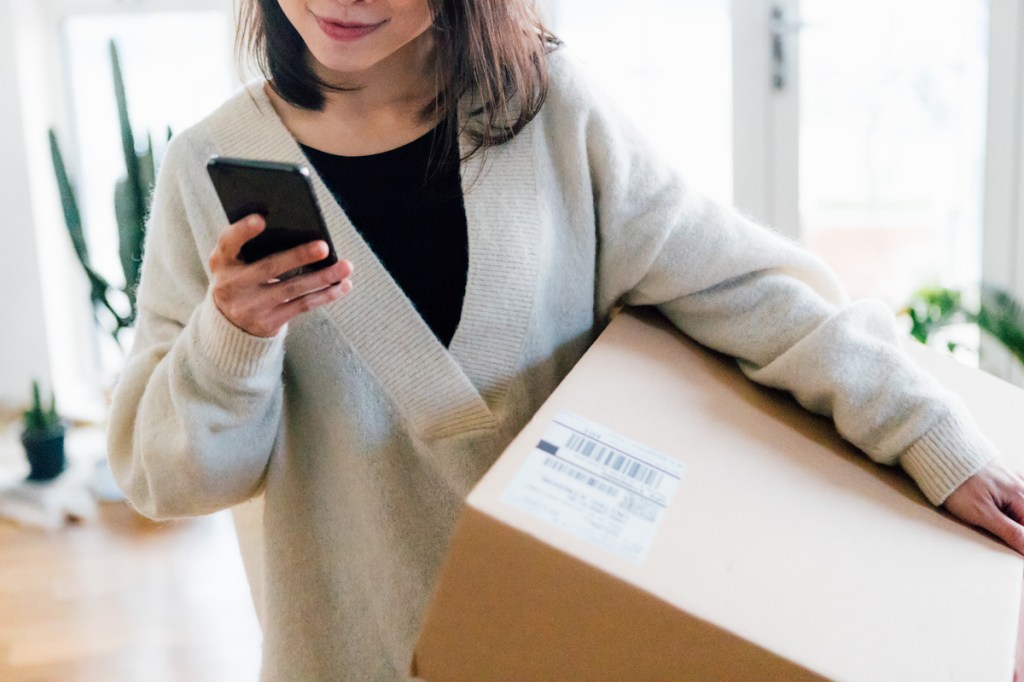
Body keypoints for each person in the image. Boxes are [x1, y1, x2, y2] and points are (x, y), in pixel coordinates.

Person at [107, 0, 1024, 678]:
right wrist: (231, 338)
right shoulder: (210, 167)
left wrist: (925, 435)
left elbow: (748, 289)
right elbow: (170, 480)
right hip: (356, 658)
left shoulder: (550, 113)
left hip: (577, 638)